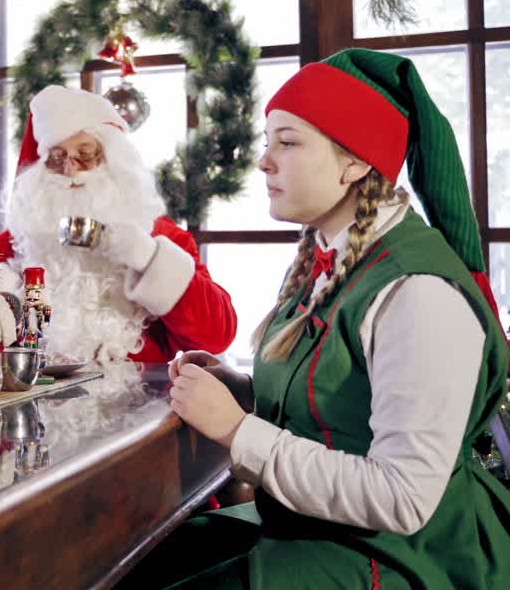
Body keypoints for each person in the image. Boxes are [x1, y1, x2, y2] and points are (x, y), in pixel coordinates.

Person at [127, 49, 510, 588]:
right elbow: (341, 406)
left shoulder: (418, 291)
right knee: (142, 565)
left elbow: (402, 498)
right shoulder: (334, 257)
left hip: (401, 554)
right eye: (268, 143)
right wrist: (240, 391)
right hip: (312, 524)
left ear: (354, 163)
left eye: (288, 142)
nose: (264, 161)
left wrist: (238, 430)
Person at [0, 85, 237, 365]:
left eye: (85, 153)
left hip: (139, 406)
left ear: (113, 160)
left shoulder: (160, 237)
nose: (70, 170)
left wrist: (148, 258)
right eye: (57, 157)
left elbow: (216, 337)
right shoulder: (16, 244)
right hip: (38, 405)